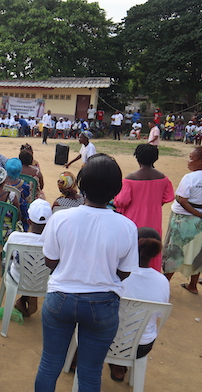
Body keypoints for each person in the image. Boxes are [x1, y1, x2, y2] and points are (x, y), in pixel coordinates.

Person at [34, 153, 139, 392]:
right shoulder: (127, 226)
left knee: (49, 364)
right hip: (103, 303)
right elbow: (124, 272)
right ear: (116, 190)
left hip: (60, 298)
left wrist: (72, 268)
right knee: (90, 373)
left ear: (81, 186)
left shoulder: (60, 218)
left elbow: (50, 261)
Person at [108, 227, 170, 383]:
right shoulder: (162, 281)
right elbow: (159, 314)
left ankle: (77, 361)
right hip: (141, 346)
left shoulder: (114, 273)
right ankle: (120, 366)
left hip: (106, 340)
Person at [114, 144, 174, 271]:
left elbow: (121, 201)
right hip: (154, 220)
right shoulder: (163, 178)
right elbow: (166, 197)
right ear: (155, 158)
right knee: (151, 247)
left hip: (133, 220)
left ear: (137, 158)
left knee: (132, 248)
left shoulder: (129, 179)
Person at [162, 146, 202, 294]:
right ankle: (193, 285)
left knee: (174, 250)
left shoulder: (190, 178)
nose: (188, 161)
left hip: (183, 219)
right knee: (197, 252)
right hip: (199, 223)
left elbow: (183, 200)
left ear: (201, 161)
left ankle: (164, 284)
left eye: (191, 158)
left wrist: (197, 214)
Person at [3, 199, 52, 317]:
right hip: (44, 282)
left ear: (29, 221)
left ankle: (25, 297)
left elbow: (8, 256)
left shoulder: (16, 237)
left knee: (14, 264)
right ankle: (27, 297)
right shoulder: (55, 241)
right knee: (37, 268)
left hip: (18, 278)